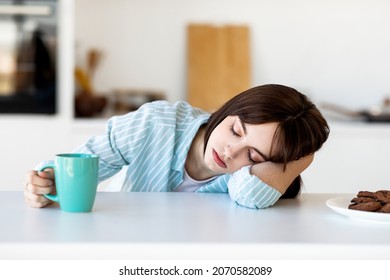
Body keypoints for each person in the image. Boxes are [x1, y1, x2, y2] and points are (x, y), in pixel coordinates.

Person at [24, 84, 330, 209]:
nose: (230, 152)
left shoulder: (249, 177)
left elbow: (251, 197)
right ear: (229, 109)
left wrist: (301, 158)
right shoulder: (155, 123)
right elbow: (76, 164)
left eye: (253, 155)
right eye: (236, 131)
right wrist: (44, 183)